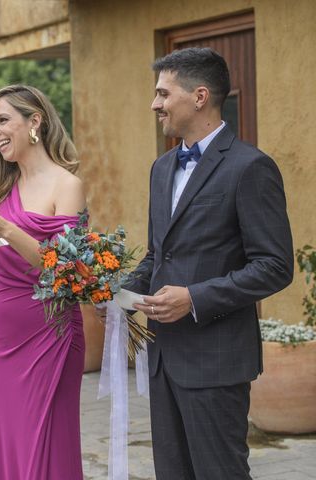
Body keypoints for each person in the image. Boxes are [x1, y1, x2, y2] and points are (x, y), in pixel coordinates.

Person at [125, 48, 294, 479]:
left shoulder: (251, 167)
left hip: (216, 361)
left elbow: (274, 265)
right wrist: (114, 288)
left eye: (163, 93)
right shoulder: (161, 169)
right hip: (164, 358)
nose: (154, 104)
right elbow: (158, 254)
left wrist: (195, 298)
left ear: (199, 96)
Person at [0, 85, 86, 479]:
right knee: (9, 437)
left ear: (35, 121)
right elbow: (2, 258)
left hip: (51, 328)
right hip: (4, 328)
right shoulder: (0, 186)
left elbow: (64, 268)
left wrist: (5, 228)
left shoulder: (67, 185)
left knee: (49, 438)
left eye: (3, 120)